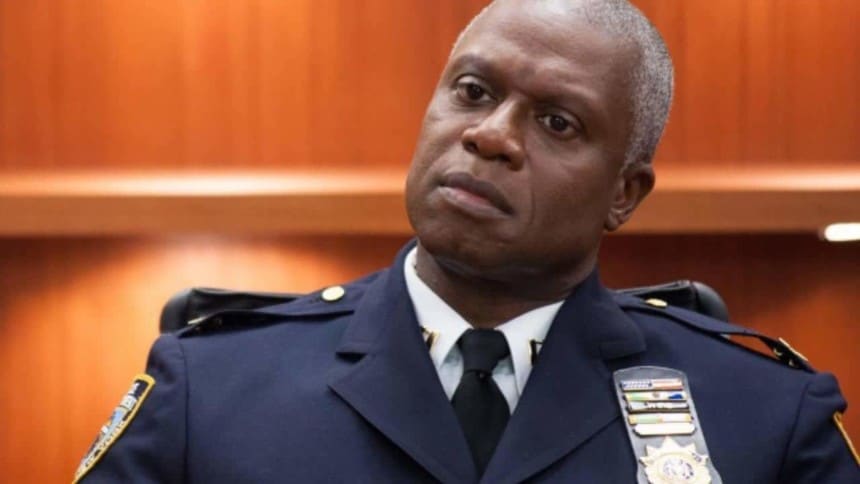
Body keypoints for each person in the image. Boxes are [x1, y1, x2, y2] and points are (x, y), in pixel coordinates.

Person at [75, 0, 858, 482]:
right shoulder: (208, 391)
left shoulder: (765, 418)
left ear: (623, 193)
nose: (491, 136)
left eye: (558, 122)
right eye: (473, 91)